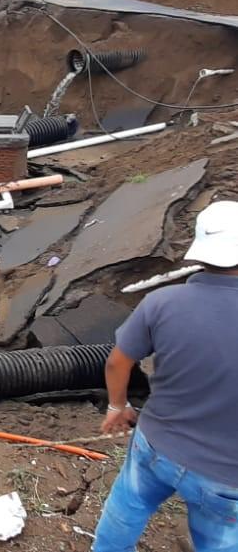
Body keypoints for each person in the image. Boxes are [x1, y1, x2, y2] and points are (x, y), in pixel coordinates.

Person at [90, 201, 238, 552]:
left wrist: (117, 406)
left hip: (156, 446)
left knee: (125, 511)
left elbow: (117, 362)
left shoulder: (162, 302)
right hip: (225, 476)